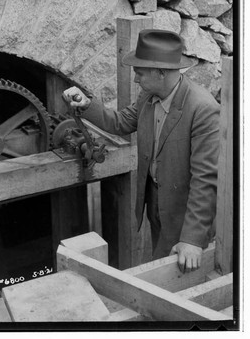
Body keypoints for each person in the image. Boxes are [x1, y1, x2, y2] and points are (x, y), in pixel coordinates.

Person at [63, 29, 220, 273]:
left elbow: (205, 179)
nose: (136, 80)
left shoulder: (203, 109)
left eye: (140, 73)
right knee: (160, 263)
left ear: (161, 72)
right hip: (156, 203)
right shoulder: (149, 96)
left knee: (178, 274)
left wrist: (192, 239)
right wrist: (86, 104)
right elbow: (121, 122)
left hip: (185, 214)